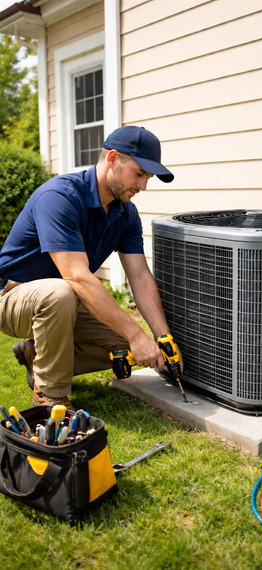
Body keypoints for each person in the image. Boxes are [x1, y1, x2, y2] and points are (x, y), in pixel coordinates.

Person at [0, 126, 180, 412]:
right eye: (139, 173)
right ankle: (50, 395)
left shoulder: (126, 214)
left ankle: (35, 354)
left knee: (125, 347)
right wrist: (137, 334)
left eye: (148, 178)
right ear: (112, 159)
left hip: (67, 298)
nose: (143, 186)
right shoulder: (60, 197)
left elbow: (140, 277)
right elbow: (77, 277)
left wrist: (161, 338)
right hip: (13, 295)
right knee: (61, 293)